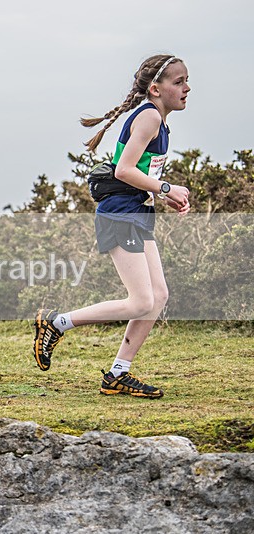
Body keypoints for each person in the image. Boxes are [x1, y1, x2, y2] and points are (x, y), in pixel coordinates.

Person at [33, 54, 191, 398]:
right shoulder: (149, 117)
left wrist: (162, 194)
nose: (187, 88)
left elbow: (138, 173)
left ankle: (118, 373)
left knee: (158, 296)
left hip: (136, 213)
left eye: (186, 81)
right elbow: (123, 170)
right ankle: (56, 323)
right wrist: (166, 188)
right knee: (141, 301)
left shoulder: (158, 120)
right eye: (178, 82)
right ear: (155, 89)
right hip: (120, 214)